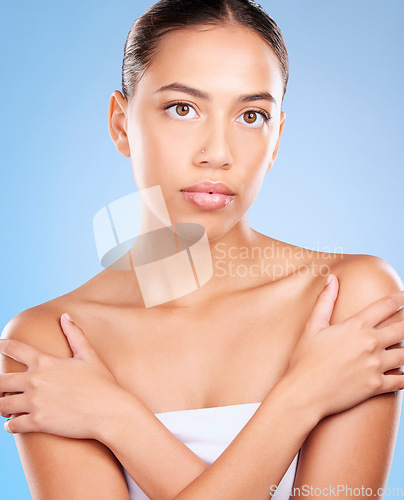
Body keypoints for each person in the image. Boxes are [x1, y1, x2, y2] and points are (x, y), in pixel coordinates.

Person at [1, 0, 403, 498]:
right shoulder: (50, 343)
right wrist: (302, 398)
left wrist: (115, 418)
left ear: (276, 139)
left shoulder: (352, 299)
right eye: (183, 108)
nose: (218, 152)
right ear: (121, 124)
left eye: (251, 115)